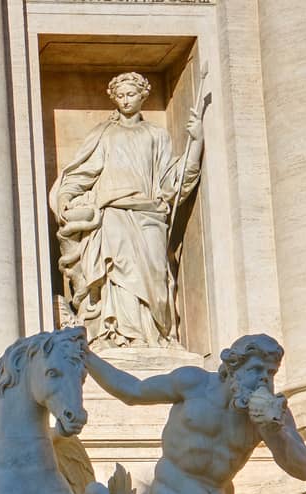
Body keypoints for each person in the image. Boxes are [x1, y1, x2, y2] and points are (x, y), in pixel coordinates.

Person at [82, 334, 306, 494]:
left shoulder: (273, 416)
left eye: (270, 373)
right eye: (256, 370)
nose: (264, 379)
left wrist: (275, 431)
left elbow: (304, 470)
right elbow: (132, 391)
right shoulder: (193, 384)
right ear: (233, 369)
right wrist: (87, 356)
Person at [50, 72, 204, 349]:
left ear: (143, 95)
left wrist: (196, 144)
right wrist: (66, 196)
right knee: (117, 275)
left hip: (149, 216)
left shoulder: (157, 136)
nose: (125, 100)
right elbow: (82, 173)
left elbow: (172, 182)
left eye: (130, 94)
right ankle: (119, 335)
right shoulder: (104, 135)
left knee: (155, 277)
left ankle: (153, 336)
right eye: (120, 96)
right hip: (113, 215)